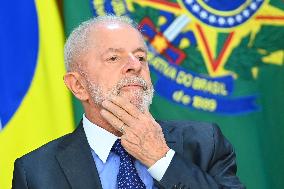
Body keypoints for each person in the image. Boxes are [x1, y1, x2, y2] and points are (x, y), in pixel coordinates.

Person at [12, 15, 245, 189]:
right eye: (114, 58)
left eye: (141, 56)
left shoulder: (204, 143)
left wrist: (161, 159)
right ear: (78, 86)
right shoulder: (36, 171)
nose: (135, 65)